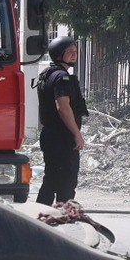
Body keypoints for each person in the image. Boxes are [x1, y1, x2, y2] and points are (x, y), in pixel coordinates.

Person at [35, 34, 87, 206]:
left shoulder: (47, 74)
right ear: (58, 54)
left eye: (75, 51)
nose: (74, 54)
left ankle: (40, 215)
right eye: (69, 51)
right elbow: (63, 107)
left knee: (51, 179)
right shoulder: (61, 77)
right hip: (62, 138)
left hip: (51, 136)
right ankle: (64, 215)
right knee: (66, 180)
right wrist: (76, 134)